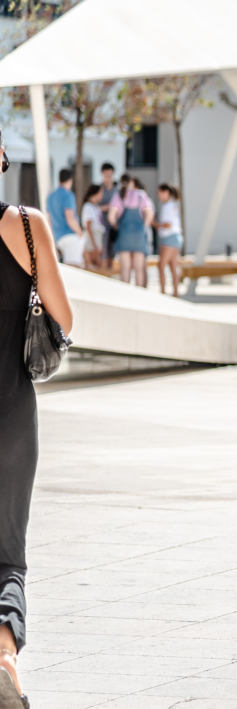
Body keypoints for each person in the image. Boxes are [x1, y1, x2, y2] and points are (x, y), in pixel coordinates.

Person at [0, 128, 74, 709]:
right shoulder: (25, 225)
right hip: (9, 411)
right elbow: (63, 316)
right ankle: (4, 659)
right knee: (6, 555)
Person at [106, 174, 154, 287]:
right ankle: (140, 295)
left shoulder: (119, 195)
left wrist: (117, 226)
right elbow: (149, 213)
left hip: (124, 234)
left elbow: (111, 216)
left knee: (125, 268)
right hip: (139, 234)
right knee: (139, 268)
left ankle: (126, 296)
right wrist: (144, 225)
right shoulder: (141, 195)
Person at [46, 168, 84, 268]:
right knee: (74, 269)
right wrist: (80, 233)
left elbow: (49, 220)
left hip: (58, 237)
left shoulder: (50, 196)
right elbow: (70, 218)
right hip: (70, 236)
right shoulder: (68, 195)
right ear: (70, 180)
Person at [152, 183, 183, 297]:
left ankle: (163, 292)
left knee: (161, 266)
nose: (159, 196)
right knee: (173, 266)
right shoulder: (173, 205)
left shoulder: (167, 206)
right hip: (176, 238)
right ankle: (175, 293)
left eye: (160, 193)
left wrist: (154, 224)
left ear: (166, 192)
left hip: (169, 238)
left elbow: (167, 224)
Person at [80, 184, 107, 271]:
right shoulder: (88, 206)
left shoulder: (96, 207)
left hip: (97, 240)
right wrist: (95, 246)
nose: (102, 196)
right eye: (101, 193)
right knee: (92, 268)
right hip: (91, 242)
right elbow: (88, 227)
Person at [98, 163, 118, 259]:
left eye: (110, 175)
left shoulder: (117, 190)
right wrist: (107, 207)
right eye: (106, 175)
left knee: (114, 255)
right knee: (104, 255)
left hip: (115, 227)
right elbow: (93, 208)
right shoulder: (99, 190)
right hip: (102, 227)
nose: (108, 177)